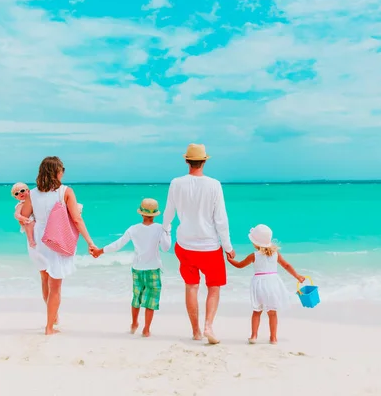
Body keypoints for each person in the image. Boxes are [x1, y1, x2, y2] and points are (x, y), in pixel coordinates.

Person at [162, 143, 235, 344]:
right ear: (204, 161)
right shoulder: (214, 185)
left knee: (191, 286)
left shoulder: (176, 183)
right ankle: (208, 326)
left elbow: (169, 212)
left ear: (187, 161)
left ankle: (195, 331)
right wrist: (228, 247)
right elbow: (221, 219)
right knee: (214, 287)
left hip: (185, 245)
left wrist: (165, 230)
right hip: (209, 246)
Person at [21, 156, 95, 335]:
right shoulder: (66, 191)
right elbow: (77, 219)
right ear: (57, 172)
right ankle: (49, 327)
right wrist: (90, 242)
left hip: (39, 239)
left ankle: (52, 318)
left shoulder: (32, 193)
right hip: (56, 238)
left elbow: (24, 218)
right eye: (62, 170)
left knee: (45, 279)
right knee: (56, 286)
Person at [90, 198, 171, 337]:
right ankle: (146, 329)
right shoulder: (159, 229)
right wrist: (167, 231)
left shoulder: (133, 229)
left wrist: (100, 251)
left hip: (137, 269)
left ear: (141, 213)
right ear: (155, 214)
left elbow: (118, 244)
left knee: (136, 298)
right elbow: (165, 247)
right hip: (153, 269)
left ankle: (134, 323)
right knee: (151, 299)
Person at [227, 224, 305, 345]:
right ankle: (273, 338)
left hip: (259, 284)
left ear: (255, 243)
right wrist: (297, 276)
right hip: (273, 283)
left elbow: (240, 265)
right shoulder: (276, 254)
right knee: (272, 313)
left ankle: (253, 336)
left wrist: (230, 260)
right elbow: (287, 266)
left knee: (257, 311)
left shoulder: (254, 256)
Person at [11, 182, 36, 248]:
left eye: (22, 190)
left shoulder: (33, 200)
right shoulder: (21, 204)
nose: (20, 193)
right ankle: (31, 240)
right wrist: (23, 218)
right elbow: (16, 215)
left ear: (28, 191)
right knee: (29, 223)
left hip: (36, 220)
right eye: (16, 193)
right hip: (27, 221)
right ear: (16, 197)